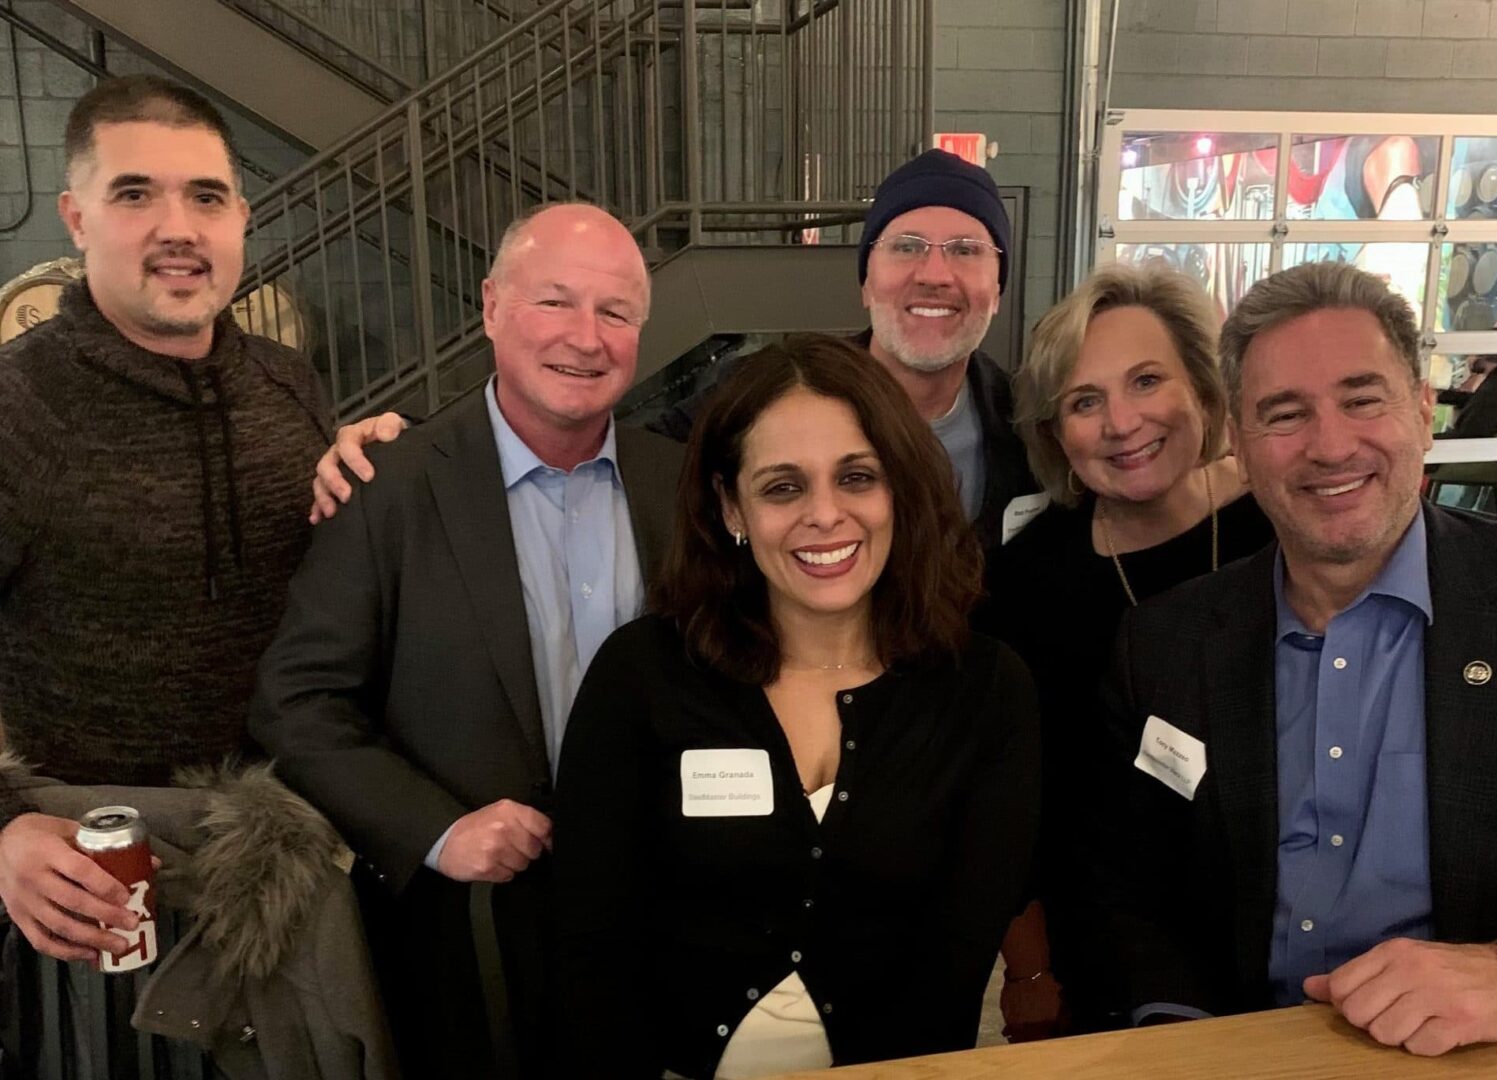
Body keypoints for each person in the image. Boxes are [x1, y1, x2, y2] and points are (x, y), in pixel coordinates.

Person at [251, 202, 684, 1077]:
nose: (586, 337)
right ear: (490, 307)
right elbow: (295, 702)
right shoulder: (388, 484)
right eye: (555, 302)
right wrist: (437, 831)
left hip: (658, 917)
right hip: (469, 941)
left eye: (616, 313)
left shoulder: (682, 483)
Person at [550, 334, 1040, 1078]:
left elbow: (955, 959)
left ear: (899, 490)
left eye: (856, 477)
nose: (824, 515)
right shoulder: (640, 676)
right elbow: (590, 948)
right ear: (730, 506)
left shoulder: (984, 691)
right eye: (782, 486)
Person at [1074, 261, 1497, 1056]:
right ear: (1237, 445)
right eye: (1283, 414)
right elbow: (1125, 895)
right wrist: (1181, 1040)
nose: (1330, 445)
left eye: (1361, 399)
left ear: (1421, 409)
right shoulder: (1162, 644)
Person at [0, 75, 328, 967]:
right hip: (93, 878)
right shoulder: (17, 406)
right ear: (75, 217)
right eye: (135, 193)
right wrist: (3, 831)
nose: (178, 227)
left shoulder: (287, 384)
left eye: (206, 196)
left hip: (292, 859)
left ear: (242, 218)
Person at [310, 149, 1040, 549]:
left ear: (999, 286)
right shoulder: (781, 391)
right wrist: (416, 434)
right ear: (864, 279)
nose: (935, 273)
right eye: (906, 245)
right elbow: (607, 442)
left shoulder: (1032, 429)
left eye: (966, 250)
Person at [975, 264, 1275, 1039]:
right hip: (1100, 964)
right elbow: (1012, 806)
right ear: (1052, 432)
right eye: (1083, 401)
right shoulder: (1023, 583)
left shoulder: (1283, 527)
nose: (1121, 421)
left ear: (1204, 391)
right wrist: (1031, 972)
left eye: (1147, 381)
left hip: (1291, 941)